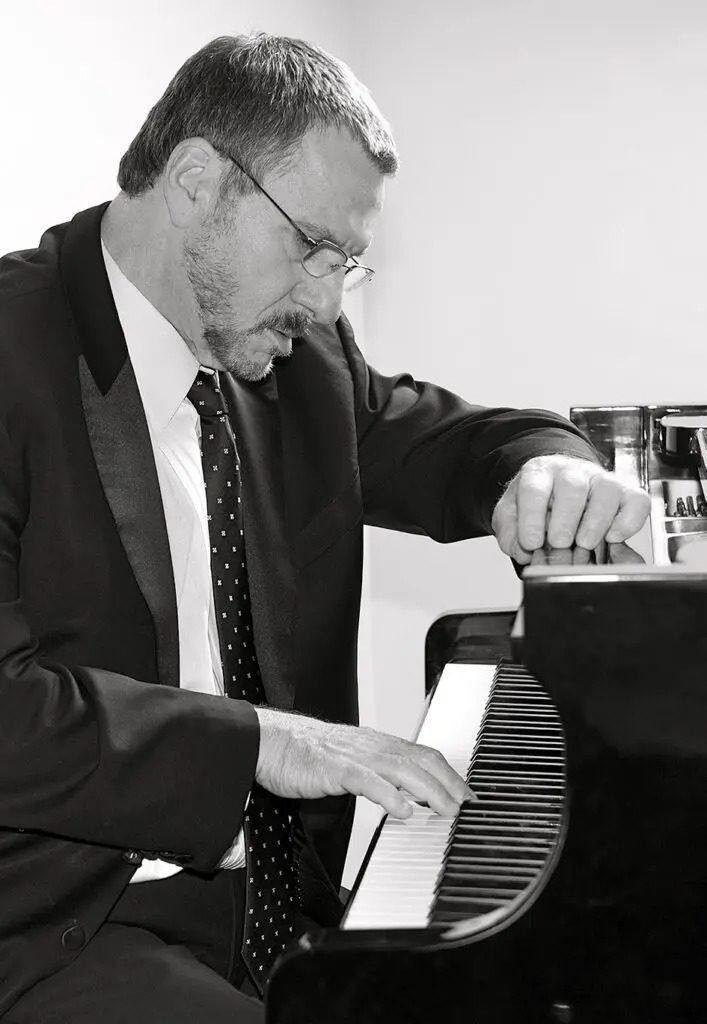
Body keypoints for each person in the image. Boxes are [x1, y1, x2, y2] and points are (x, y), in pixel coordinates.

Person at [0, 32, 649, 1024]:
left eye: (346, 263)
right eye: (311, 246)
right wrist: (264, 741)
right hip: (61, 927)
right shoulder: (12, 353)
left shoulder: (293, 359)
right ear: (194, 180)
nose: (320, 295)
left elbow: (439, 443)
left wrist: (540, 464)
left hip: (276, 900)